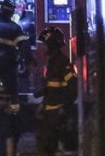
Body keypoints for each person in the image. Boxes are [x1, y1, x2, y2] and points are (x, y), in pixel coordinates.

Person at [34, 27, 78, 156]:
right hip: (50, 112)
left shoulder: (62, 62)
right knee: (44, 145)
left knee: (49, 146)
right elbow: (52, 87)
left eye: (45, 44)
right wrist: (43, 104)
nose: (43, 48)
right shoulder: (53, 62)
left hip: (57, 113)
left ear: (51, 44)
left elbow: (73, 87)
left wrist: (64, 108)